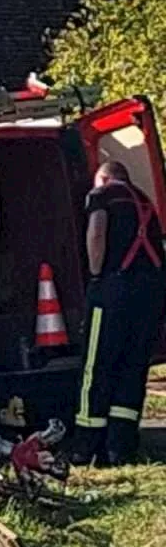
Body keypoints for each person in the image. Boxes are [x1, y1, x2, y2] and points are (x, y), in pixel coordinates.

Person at [75, 160, 166, 465]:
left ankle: (87, 446)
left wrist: (95, 273)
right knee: (132, 367)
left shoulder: (101, 196)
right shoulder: (145, 201)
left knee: (97, 366)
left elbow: (97, 234)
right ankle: (121, 446)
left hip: (113, 290)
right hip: (150, 297)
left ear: (104, 178)